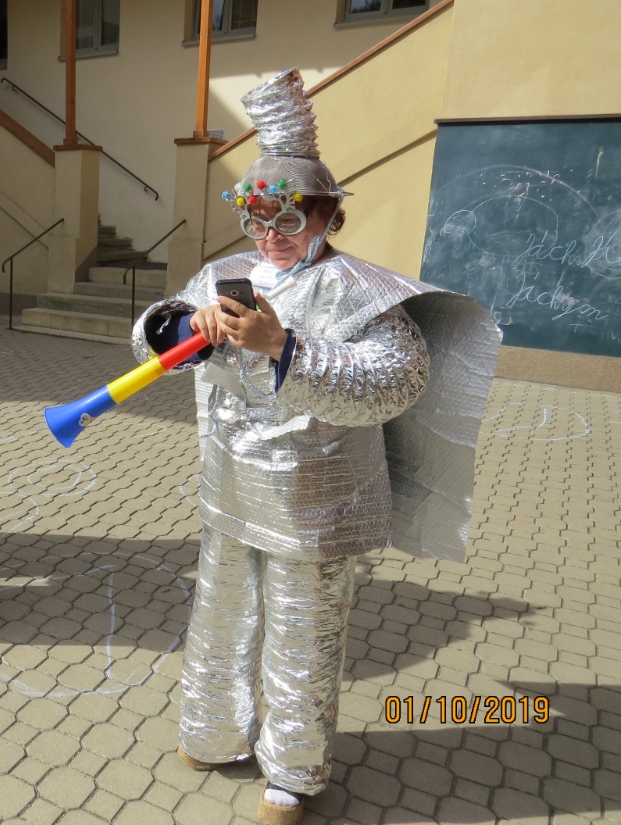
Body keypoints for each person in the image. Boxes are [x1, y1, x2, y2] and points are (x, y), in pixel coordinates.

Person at [131, 69, 501, 825]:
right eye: (256, 218)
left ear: (328, 216)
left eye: (289, 219)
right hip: (230, 489)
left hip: (316, 507)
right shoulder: (226, 273)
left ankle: (292, 772)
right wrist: (186, 327)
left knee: (302, 637)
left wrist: (284, 347)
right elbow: (151, 334)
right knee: (221, 618)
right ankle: (213, 729)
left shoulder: (359, 289)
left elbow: (394, 381)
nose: (270, 236)